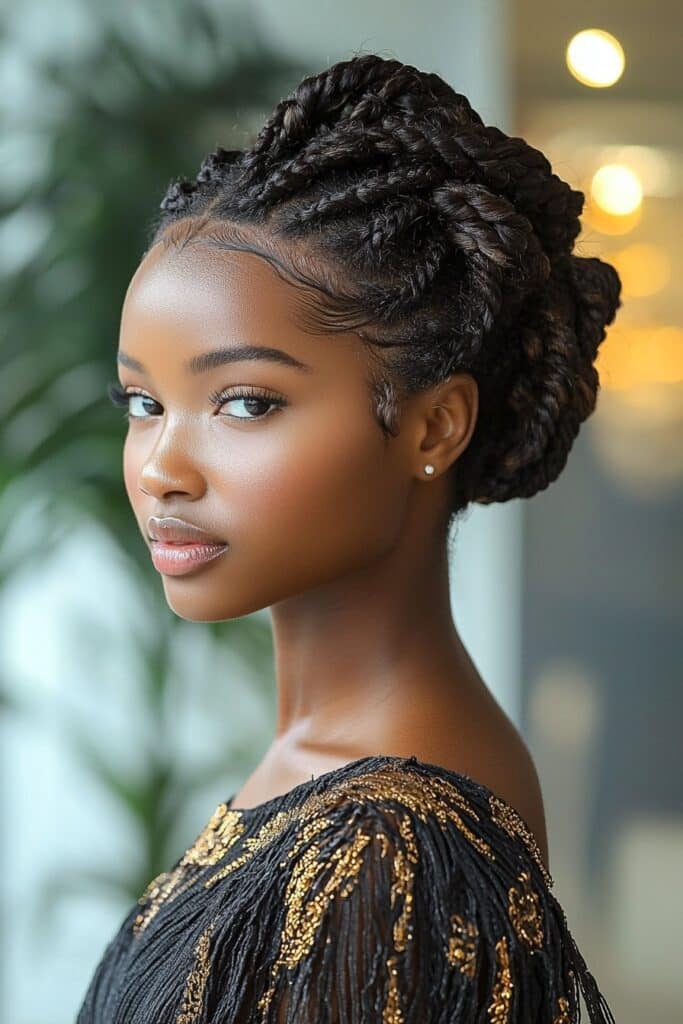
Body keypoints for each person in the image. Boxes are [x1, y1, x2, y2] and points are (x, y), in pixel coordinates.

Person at [77, 52, 621, 1023]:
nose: (161, 464)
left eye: (244, 402)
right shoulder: (334, 769)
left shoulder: (388, 847)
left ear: (430, 428)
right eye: (143, 401)